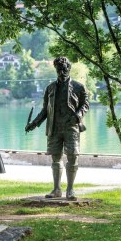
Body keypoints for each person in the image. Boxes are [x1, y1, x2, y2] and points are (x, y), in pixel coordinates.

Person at [25, 56, 89, 200]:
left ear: (69, 68)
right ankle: (56, 189)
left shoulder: (79, 87)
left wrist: (77, 116)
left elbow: (85, 104)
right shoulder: (50, 88)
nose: (62, 72)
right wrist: (34, 123)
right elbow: (45, 110)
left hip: (71, 127)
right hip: (54, 127)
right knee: (55, 158)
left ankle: (71, 190)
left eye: (65, 69)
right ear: (56, 70)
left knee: (72, 156)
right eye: (59, 69)